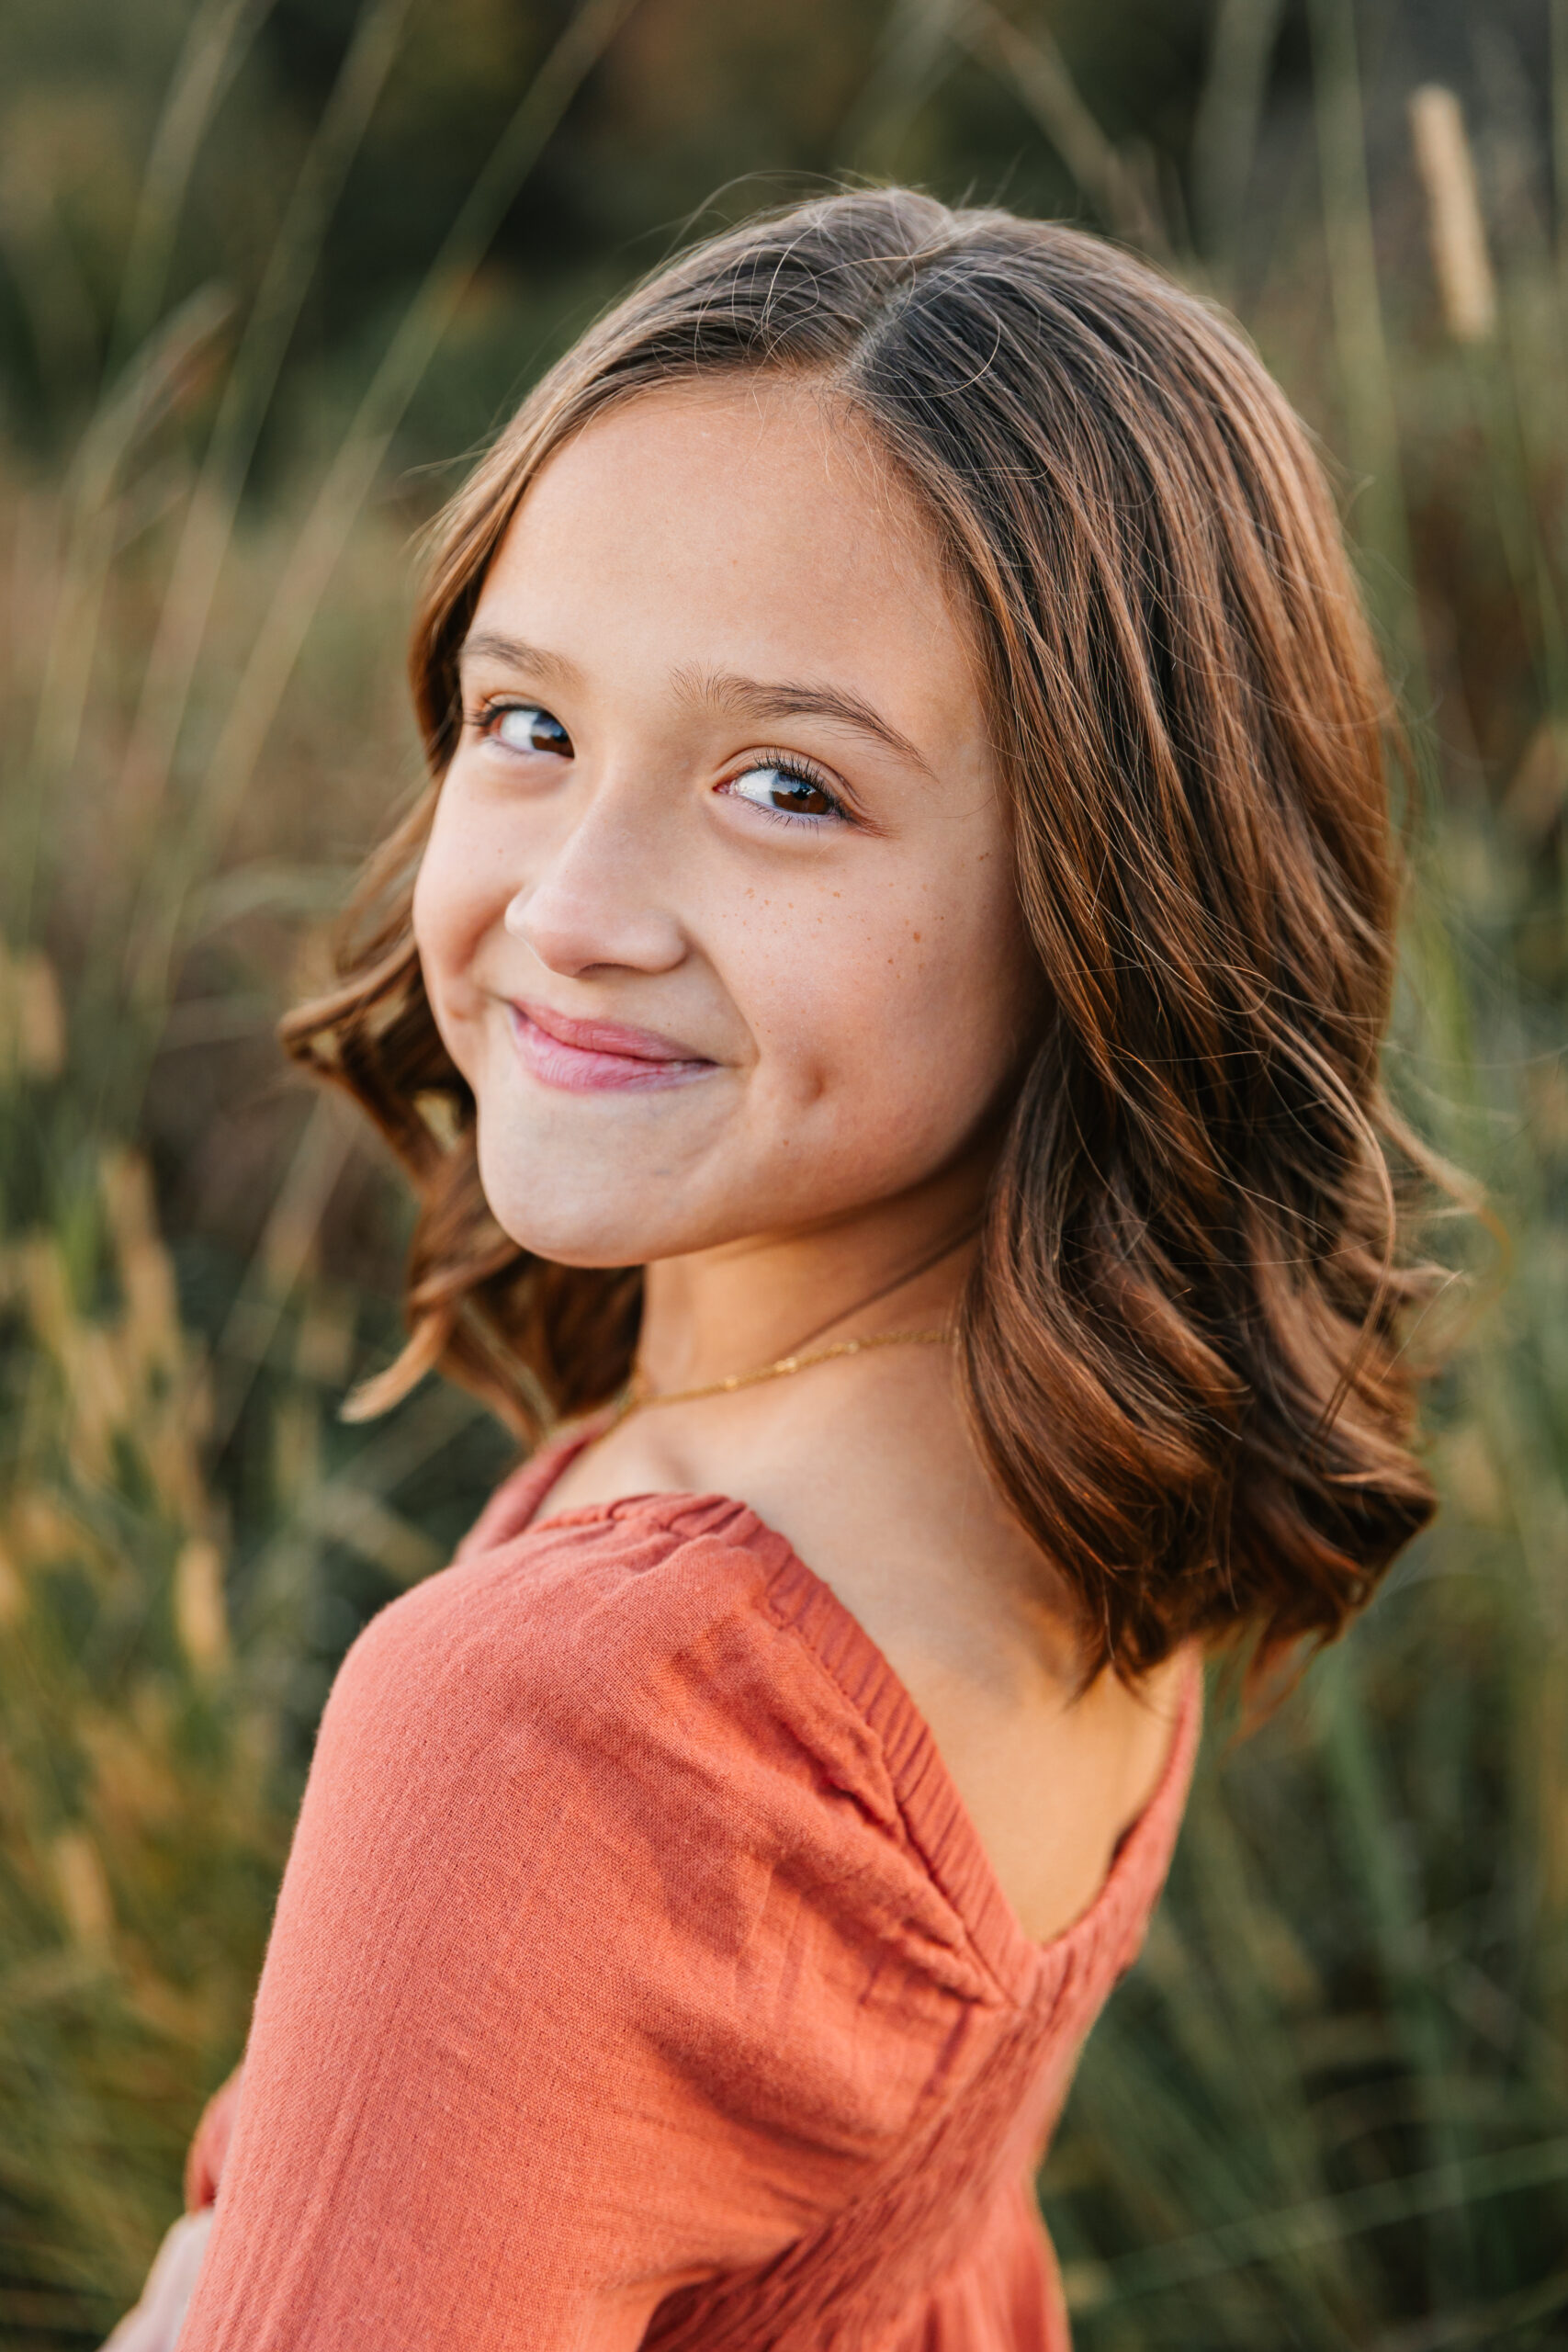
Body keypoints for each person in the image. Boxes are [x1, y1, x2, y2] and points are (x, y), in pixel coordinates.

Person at [115, 187, 1445, 2349]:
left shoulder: (571, 1720)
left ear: (1111, 894)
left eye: (784, 784)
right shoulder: (1076, 1446)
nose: (573, 904)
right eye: (526, 723)